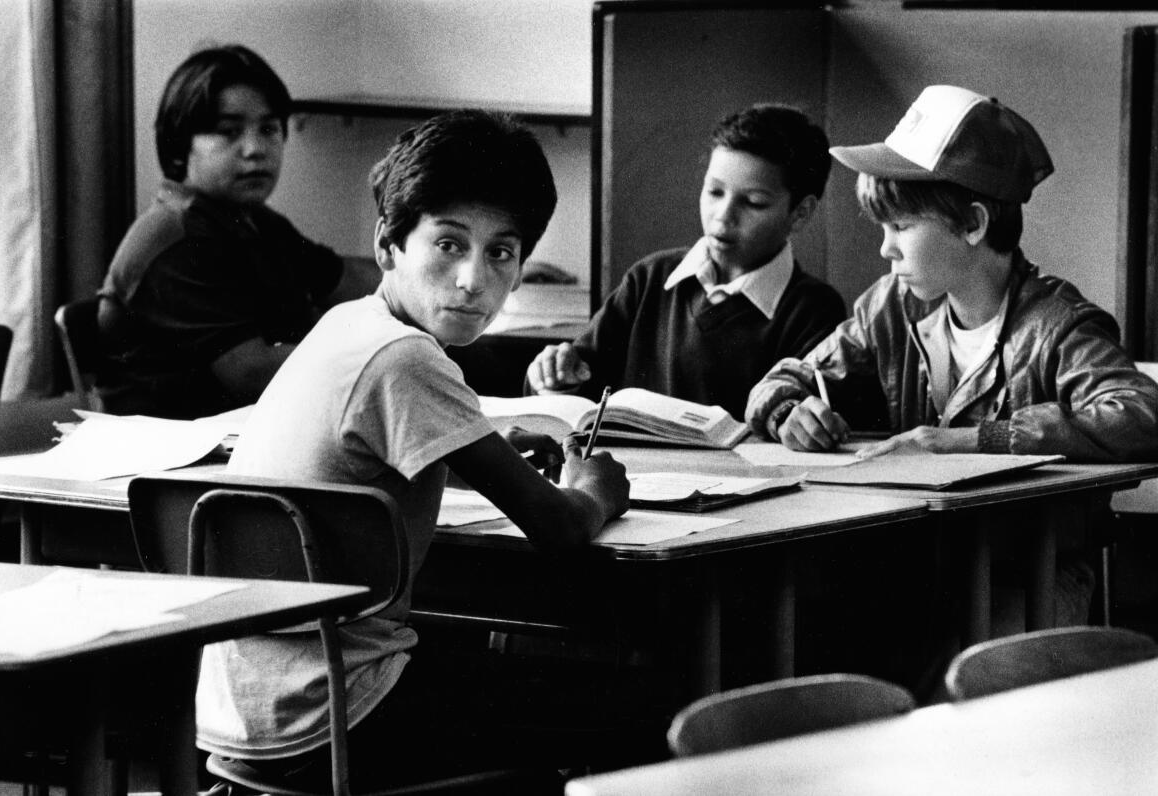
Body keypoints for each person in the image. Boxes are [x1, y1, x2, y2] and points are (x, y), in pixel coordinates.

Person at [194, 110, 631, 791]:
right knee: (635, 707)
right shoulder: (407, 358)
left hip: (241, 717)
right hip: (342, 717)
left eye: (501, 253)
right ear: (389, 245)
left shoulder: (348, 325)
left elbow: (365, 457)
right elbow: (561, 528)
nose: (472, 280)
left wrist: (484, 452)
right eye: (449, 244)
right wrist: (595, 483)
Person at [746, 84, 1158, 462]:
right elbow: (783, 380)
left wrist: (978, 439)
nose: (885, 248)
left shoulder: (1057, 327)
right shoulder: (890, 306)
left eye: (901, 227)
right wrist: (788, 413)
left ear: (972, 225)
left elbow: (1141, 415)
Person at [96, 45, 381, 419]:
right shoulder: (178, 237)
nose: (255, 149)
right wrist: (381, 350)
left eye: (268, 129)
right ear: (181, 146)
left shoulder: (250, 220)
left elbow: (346, 279)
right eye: (229, 132)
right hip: (172, 453)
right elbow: (251, 372)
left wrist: (425, 276)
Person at [526, 103, 846, 421]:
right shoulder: (649, 278)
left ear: (800, 213)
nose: (723, 217)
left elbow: (807, 421)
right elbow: (578, 385)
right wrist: (554, 374)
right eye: (714, 192)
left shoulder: (814, 310)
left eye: (754, 203)